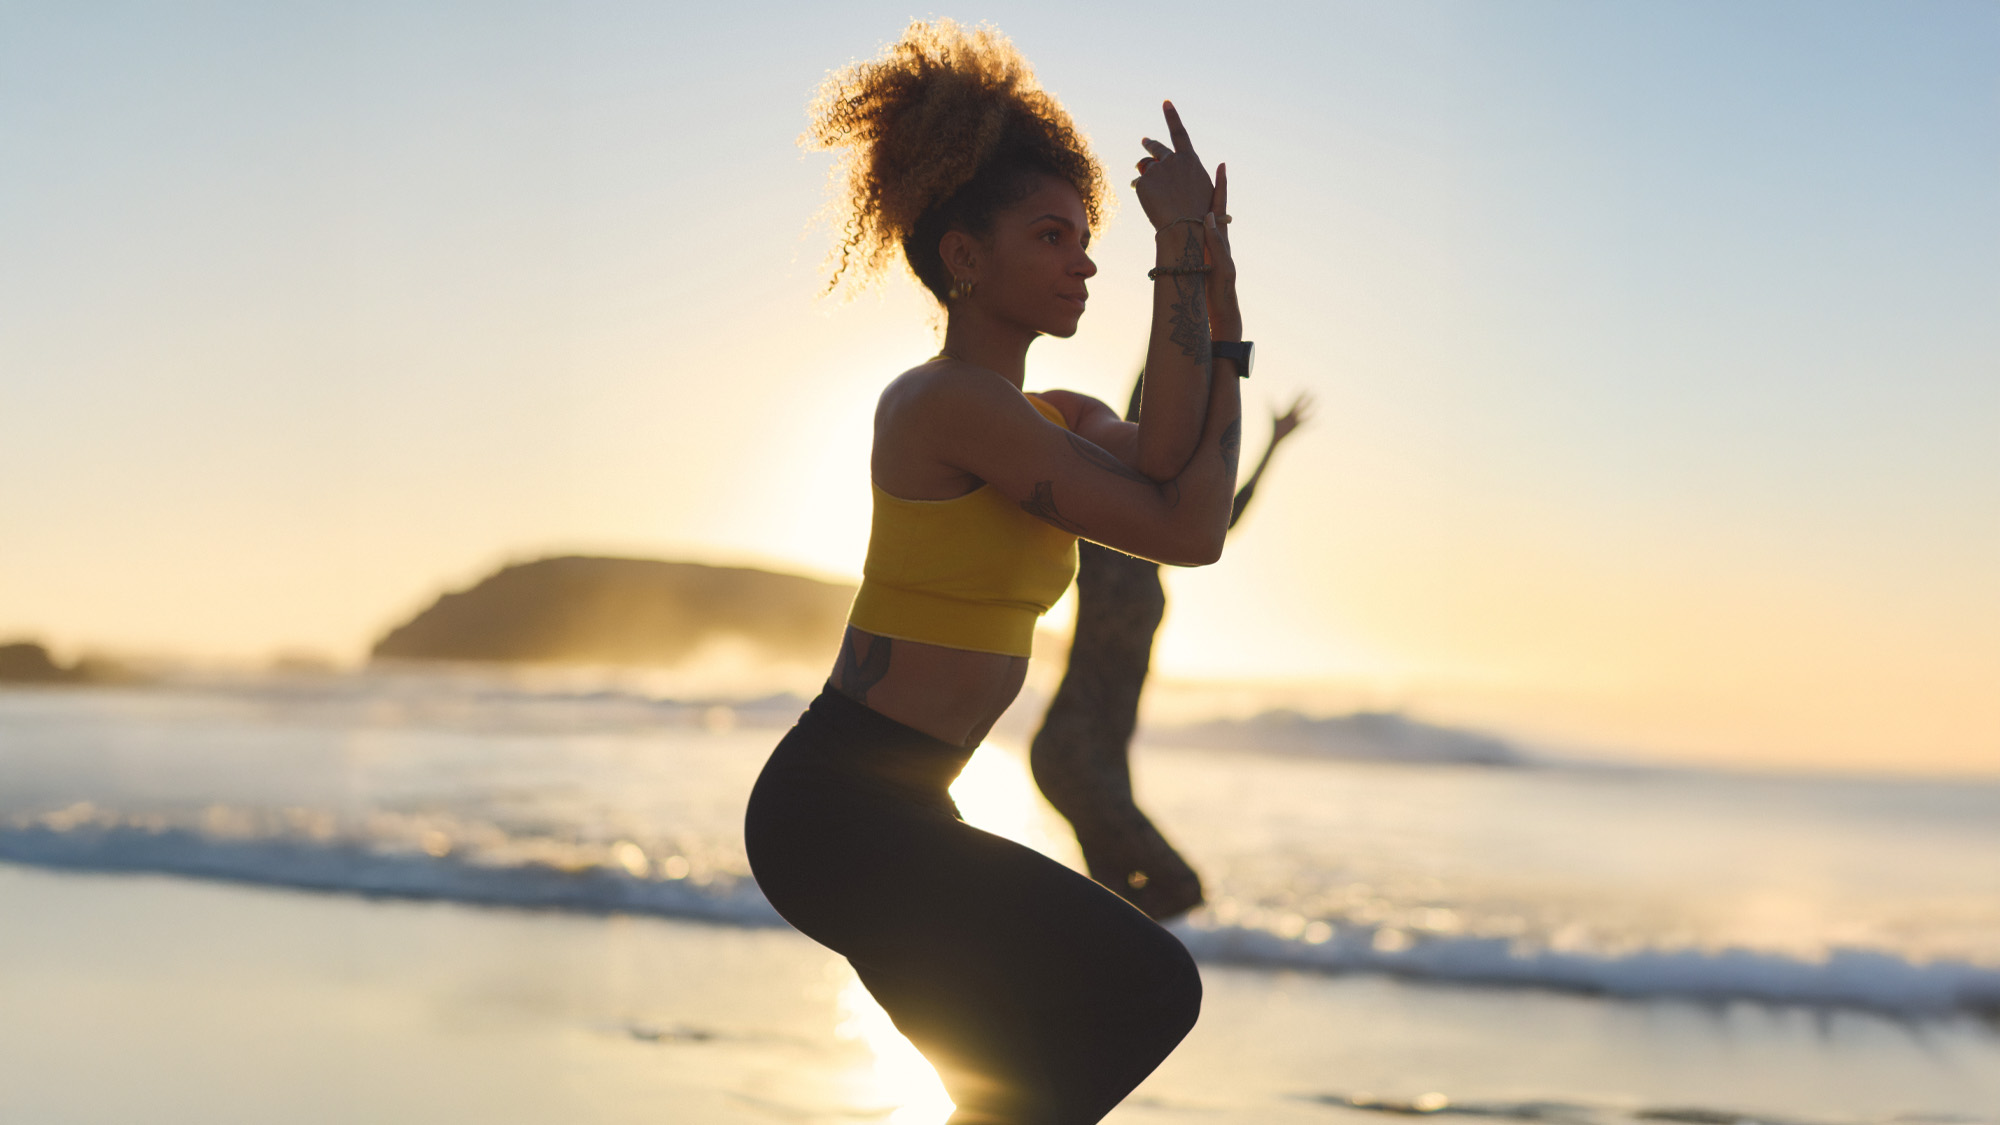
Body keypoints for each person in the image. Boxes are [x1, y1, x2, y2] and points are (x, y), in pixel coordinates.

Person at [742, 20, 1246, 1125]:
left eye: (1086, 239)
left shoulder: (1052, 419)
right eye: (1051, 235)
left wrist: (1214, 282)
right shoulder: (943, 406)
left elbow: (1189, 503)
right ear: (965, 256)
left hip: (900, 809)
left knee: (1002, 1085)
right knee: (1145, 991)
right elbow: (1172, 509)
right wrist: (1179, 262)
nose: (1083, 260)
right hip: (841, 812)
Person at [1031, 390, 1311, 921]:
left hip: (1106, 761)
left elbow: (1223, 517)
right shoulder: (1100, 533)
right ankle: (1056, 941)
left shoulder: (1162, 545)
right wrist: (1175, 318)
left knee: (1116, 905)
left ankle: (1078, 970)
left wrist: (1272, 445)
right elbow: (1145, 401)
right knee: (1180, 887)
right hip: (1074, 753)